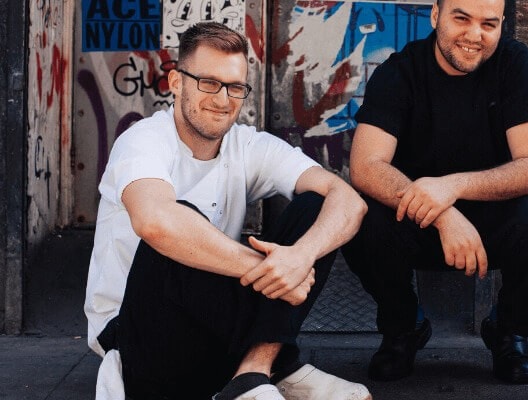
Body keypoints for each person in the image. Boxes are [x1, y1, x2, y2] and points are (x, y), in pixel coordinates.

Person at [83, 22, 371, 400]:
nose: (223, 99)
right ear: (176, 82)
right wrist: (273, 269)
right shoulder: (143, 141)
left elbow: (348, 200)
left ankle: (254, 373)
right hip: (140, 336)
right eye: (209, 82)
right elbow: (154, 222)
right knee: (177, 224)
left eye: (235, 87)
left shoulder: (246, 146)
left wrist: (300, 257)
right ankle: (282, 368)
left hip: (212, 331)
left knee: (317, 207)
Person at [342, 0, 528, 385]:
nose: (474, 35)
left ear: (501, 24)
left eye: (488, 24)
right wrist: (443, 213)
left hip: (494, 222)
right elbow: (366, 166)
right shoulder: (401, 71)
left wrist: (451, 187)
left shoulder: (514, 64)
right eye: (461, 18)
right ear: (436, 16)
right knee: (358, 216)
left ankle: (510, 329)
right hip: (418, 220)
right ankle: (403, 327)